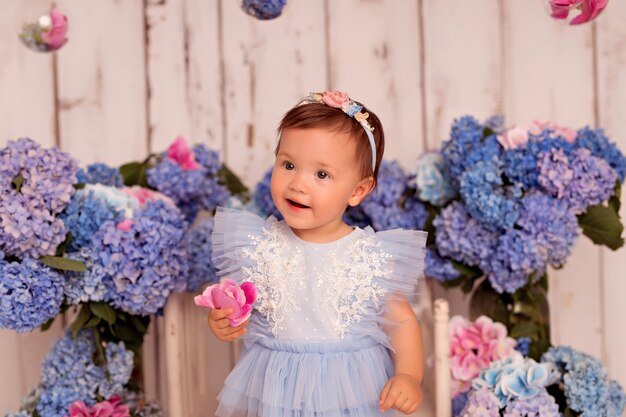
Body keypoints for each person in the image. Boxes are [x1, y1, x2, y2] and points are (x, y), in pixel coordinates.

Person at [207, 91, 427, 417]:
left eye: (321, 175)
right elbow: (241, 307)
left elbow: (403, 321)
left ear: (357, 191)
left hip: (351, 389)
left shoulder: (367, 256)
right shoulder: (260, 246)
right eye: (289, 165)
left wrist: (409, 375)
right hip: (277, 386)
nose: (298, 184)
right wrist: (221, 321)